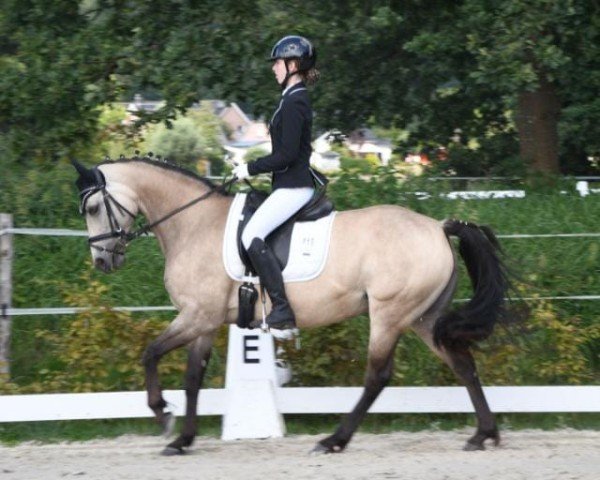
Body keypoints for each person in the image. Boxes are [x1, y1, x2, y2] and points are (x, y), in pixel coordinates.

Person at [232, 35, 319, 329]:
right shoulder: (291, 98)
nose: (273, 69)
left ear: (293, 64)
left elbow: (286, 155)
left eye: (277, 63)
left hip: (294, 186)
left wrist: (249, 168)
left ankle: (282, 309)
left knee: (251, 234)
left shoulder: (296, 101)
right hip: (287, 185)